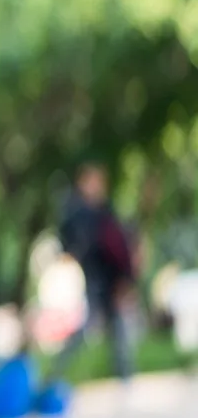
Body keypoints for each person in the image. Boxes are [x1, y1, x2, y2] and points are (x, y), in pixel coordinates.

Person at [46, 161, 136, 386]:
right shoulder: (78, 211)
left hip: (110, 277)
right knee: (88, 327)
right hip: (95, 277)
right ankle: (54, 376)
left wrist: (125, 277)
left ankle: (125, 376)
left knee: (117, 328)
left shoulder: (104, 211)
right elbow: (70, 242)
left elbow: (119, 247)